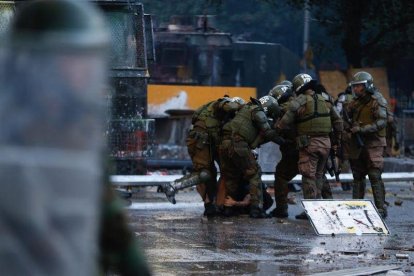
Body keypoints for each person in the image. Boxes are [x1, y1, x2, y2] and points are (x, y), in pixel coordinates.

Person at [163, 96, 244, 217]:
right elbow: (228, 106)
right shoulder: (222, 104)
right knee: (204, 173)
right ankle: (173, 186)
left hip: (209, 141)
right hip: (201, 140)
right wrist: (243, 108)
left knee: (219, 172)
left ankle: (213, 205)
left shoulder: (219, 118)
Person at [276, 73, 343, 220]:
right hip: (326, 144)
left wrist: (277, 128)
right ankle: (319, 207)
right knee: (319, 175)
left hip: (309, 144)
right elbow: (338, 122)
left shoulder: (300, 101)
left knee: (308, 176)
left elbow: (285, 122)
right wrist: (336, 141)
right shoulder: (325, 98)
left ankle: (311, 211)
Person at [219, 96, 284, 218]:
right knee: (254, 173)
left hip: (224, 145)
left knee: (231, 176)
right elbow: (268, 132)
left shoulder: (246, 109)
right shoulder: (258, 111)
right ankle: (256, 209)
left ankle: (229, 208)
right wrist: (283, 141)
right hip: (238, 144)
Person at [346, 71, 388, 218]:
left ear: (367, 86)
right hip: (358, 143)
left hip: (374, 142)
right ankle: (357, 205)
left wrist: (362, 129)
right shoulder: (356, 102)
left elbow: (382, 122)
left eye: (359, 86)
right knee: (357, 175)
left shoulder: (377, 100)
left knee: (374, 175)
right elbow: (346, 115)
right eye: (355, 86)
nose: (356, 89)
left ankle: (381, 207)